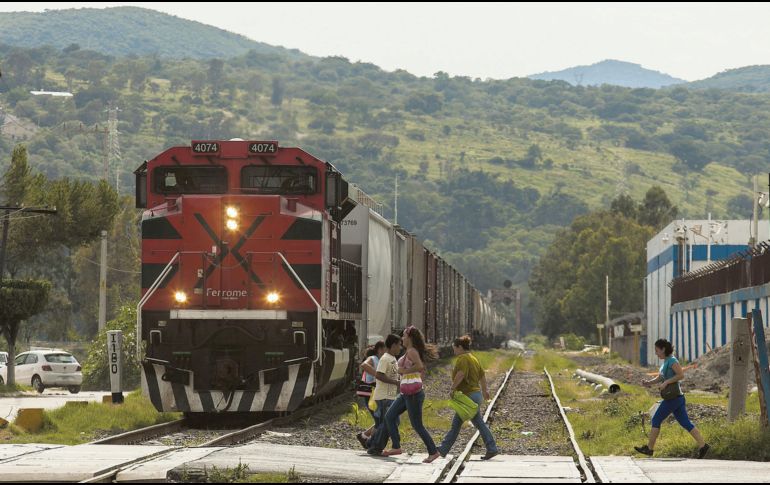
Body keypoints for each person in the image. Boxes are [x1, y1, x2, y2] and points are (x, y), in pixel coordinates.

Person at [635, 339, 710, 459]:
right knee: (685, 423)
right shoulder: (665, 362)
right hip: (677, 398)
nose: (656, 353)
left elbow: (681, 375)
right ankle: (703, 446)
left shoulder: (672, 360)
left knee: (656, 419)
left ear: (663, 349)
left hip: (673, 398)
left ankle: (649, 449)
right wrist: (648, 383)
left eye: (657, 350)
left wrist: (667, 382)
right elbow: (661, 377)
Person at [379, 326, 441, 464]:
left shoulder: (412, 351)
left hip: (413, 394)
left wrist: (403, 370)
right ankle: (396, 447)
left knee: (417, 425)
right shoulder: (409, 351)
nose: (402, 339)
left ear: (410, 338)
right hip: (406, 392)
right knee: (389, 416)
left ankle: (433, 451)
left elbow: (419, 367)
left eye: (404, 337)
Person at [437, 335, 499, 460]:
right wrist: (485, 390)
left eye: (454, 348)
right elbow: (482, 375)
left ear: (460, 347)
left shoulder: (463, 358)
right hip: (476, 395)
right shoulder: (473, 358)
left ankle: (443, 449)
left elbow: (461, 374)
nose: (454, 351)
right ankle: (491, 448)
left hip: (468, 397)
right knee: (478, 423)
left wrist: (452, 388)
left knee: (457, 425)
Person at [363, 335, 402, 452]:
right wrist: (396, 382)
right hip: (384, 397)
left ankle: (372, 443)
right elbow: (379, 375)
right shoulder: (385, 359)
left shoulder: (392, 358)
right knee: (389, 422)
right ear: (394, 345)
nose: (400, 347)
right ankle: (374, 446)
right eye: (399, 345)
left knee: (388, 422)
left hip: (389, 395)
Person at [356, 341, 386, 444]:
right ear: (380, 349)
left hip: (376, 394)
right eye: (386, 349)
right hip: (371, 394)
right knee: (380, 420)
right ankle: (371, 443)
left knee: (382, 419)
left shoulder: (382, 360)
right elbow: (364, 365)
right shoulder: (373, 358)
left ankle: (364, 436)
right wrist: (377, 375)